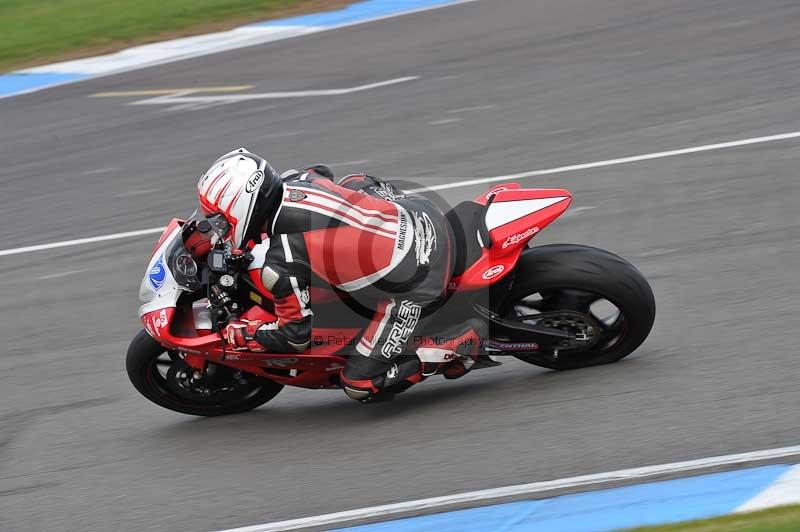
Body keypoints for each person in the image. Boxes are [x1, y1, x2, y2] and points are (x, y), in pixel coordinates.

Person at [196, 148, 486, 401]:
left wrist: (245, 333)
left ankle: (463, 341)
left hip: (419, 278)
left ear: (242, 206)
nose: (219, 227)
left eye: (221, 219)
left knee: (361, 384)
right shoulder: (298, 180)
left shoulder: (282, 261)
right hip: (417, 212)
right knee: (353, 182)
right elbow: (322, 171)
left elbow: (296, 336)